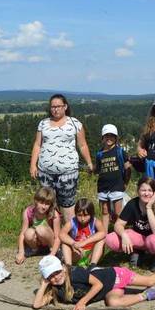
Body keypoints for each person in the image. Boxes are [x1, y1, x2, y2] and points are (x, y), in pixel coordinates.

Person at [32, 255, 155, 310]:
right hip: (110, 290)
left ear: (63, 268)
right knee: (112, 302)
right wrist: (44, 285)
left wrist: (83, 302)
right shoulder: (56, 289)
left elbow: (98, 285)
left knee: (149, 280)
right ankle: (150, 294)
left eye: (57, 272)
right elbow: (37, 305)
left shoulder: (75, 273)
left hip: (115, 276)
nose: (56, 277)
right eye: (50, 276)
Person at [30, 94, 93, 224]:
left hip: (68, 173)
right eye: (53, 107)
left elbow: (82, 145)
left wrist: (89, 163)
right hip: (45, 173)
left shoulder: (75, 123)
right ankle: (48, 231)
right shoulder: (43, 123)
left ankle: (69, 233)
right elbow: (37, 145)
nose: (55, 109)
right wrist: (32, 165)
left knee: (67, 205)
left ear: (65, 107)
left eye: (58, 106)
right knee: (46, 204)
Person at [105, 177, 155, 271]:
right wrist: (124, 236)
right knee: (111, 238)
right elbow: (118, 224)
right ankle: (137, 251)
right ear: (138, 191)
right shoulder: (132, 204)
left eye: (150, 190)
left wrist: (148, 208)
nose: (146, 193)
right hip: (140, 239)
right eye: (143, 190)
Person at [96, 124, 131, 230]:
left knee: (117, 212)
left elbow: (128, 168)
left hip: (117, 185)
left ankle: (119, 232)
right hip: (103, 186)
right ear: (102, 138)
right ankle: (104, 234)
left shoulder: (120, 151)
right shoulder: (99, 154)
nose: (109, 138)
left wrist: (125, 183)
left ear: (116, 138)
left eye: (111, 136)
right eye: (106, 136)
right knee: (105, 211)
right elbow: (98, 169)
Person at [15, 186, 61, 265]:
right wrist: (21, 252)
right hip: (38, 241)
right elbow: (22, 233)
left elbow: (58, 237)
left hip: (50, 240)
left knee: (40, 229)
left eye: (47, 204)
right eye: (41, 203)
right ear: (36, 200)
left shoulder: (54, 214)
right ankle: (35, 249)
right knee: (28, 233)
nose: (44, 207)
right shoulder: (28, 211)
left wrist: (52, 255)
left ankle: (53, 250)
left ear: (51, 204)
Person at [59, 198, 106, 267]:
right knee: (64, 244)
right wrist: (73, 243)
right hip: (78, 253)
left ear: (91, 214)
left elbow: (103, 233)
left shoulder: (95, 222)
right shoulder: (72, 222)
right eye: (79, 215)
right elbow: (61, 234)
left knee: (101, 241)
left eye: (86, 215)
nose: (82, 219)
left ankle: (92, 266)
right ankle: (69, 266)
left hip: (92, 253)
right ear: (75, 214)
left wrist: (84, 242)